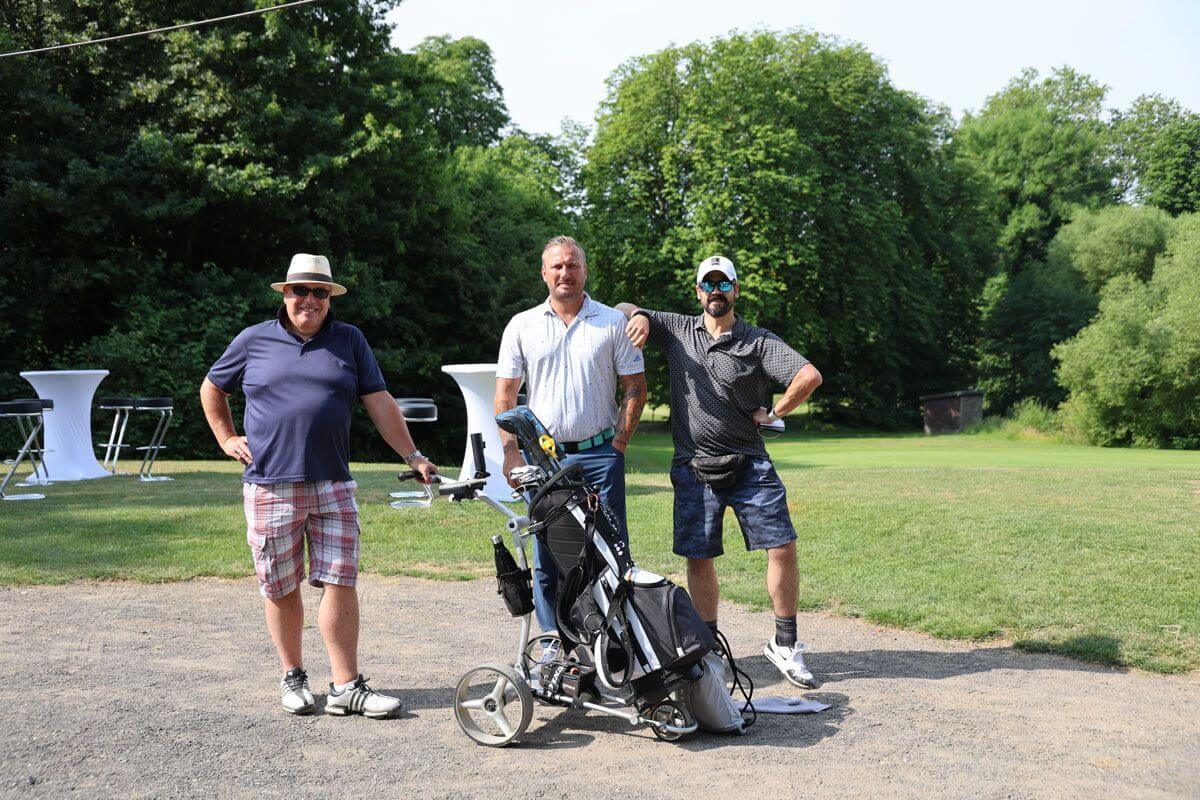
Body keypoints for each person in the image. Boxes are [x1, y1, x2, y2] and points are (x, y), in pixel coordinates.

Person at [200, 253, 437, 717]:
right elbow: (213, 388)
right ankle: (293, 676)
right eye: (301, 290)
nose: (309, 299)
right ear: (285, 293)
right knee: (280, 584)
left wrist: (413, 456)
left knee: (340, 579)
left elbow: (379, 401)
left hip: (333, 483)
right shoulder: (253, 339)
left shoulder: (350, 340)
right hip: (270, 485)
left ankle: (346, 686)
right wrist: (226, 437)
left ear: (330, 297)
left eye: (320, 292)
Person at [617, 255, 823, 687]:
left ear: (735, 290)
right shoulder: (676, 329)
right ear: (698, 292)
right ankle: (709, 650)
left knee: (782, 545)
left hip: (749, 461)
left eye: (723, 283)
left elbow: (808, 375)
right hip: (693, 466)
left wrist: (776, 412)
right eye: (708, 284)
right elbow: (622, 308)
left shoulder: (757, 341)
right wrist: (637, 316)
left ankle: (785, 644)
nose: (716, 291)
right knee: (699, 557)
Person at [494, 236, 647, 646]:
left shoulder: (611, 322)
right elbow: (506, 395)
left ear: (585, 270)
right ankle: (552, 642)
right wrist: (511, 453)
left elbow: (635, 387)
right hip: (541, 461)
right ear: (544, 273)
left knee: (610, 550)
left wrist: (618, 446)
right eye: (557, 266)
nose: (565, 272)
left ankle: (614, 639)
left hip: (599, 455)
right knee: (547, 555)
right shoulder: (522, 325)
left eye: (572, 265)